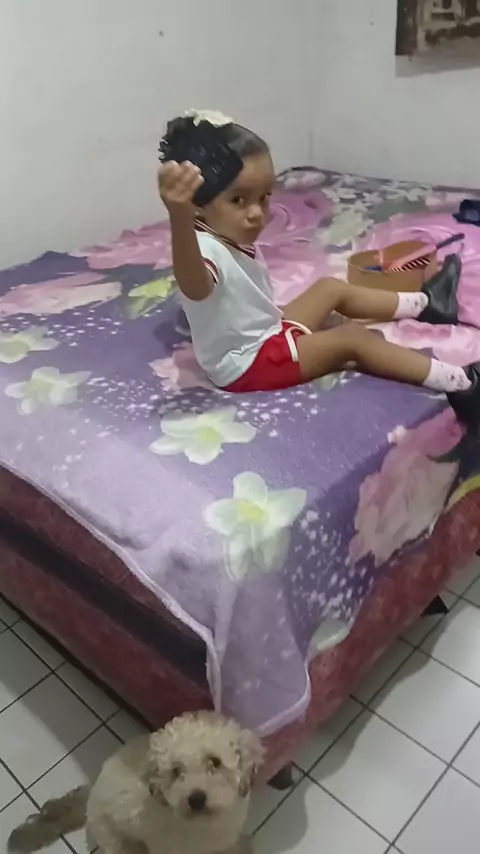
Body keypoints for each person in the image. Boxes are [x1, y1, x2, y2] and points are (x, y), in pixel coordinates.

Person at [157, 110, 480, 421]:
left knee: (330, 288)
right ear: (196, 206)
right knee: (352, 339)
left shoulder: (225, 231)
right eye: (238, 200)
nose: (257, 213)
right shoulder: (201, 248)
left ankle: (427, 303)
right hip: (248, 363)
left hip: (267, 331)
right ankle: (463, 384)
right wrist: (178, 218)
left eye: (265, 197)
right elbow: (195, 285)